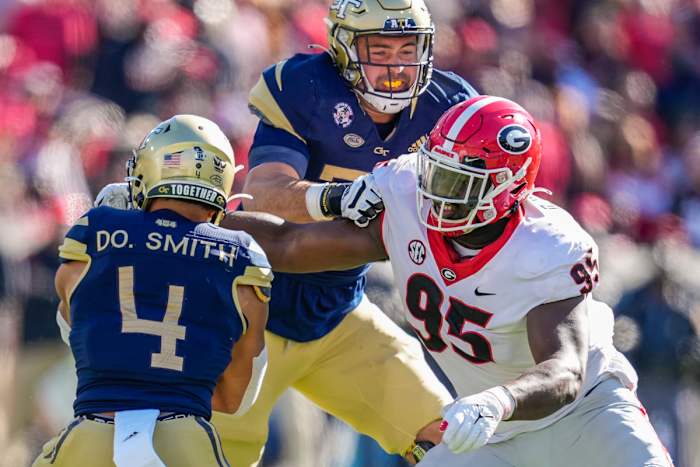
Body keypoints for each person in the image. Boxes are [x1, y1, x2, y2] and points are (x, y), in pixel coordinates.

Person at [219, 95, 674, 466]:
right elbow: (291, 246)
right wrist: (193, 216)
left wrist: (497, 401)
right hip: (493, 434)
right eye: (435, 171)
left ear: (508, 186)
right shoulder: (405, 195)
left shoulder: (548, 246)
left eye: (458, 183)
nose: (435, 192)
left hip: (586, 416)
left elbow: (565, 372)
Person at [216, 0, 478, 463]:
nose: (395, 67)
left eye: (407, 49)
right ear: (343, 48)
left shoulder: (448, 106)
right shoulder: (307, 88)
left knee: (452, 443)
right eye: (379, 50)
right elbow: (264, 192)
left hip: (339, 317)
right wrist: (332, 199)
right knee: (210, 455)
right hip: (248, 321)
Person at [34, 115, 272, 467]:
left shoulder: (94, 230)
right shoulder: (242, 257)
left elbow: (74, 329)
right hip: (184, 441)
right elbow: (234, 398)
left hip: (93, 438)